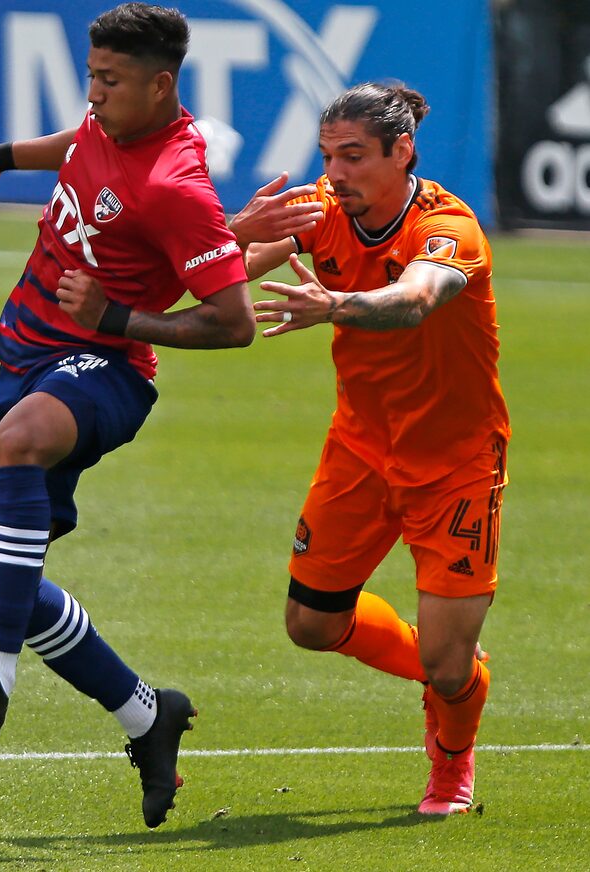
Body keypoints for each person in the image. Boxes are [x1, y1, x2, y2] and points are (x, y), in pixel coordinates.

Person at [0, 2, 317, 829]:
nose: (96, 94)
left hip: (107, 370)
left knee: (22, 440)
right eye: (91, 78)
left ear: (162, 85)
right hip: (27, 357)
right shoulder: (110, 119)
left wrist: (117, 320)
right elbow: (78, 143)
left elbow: (233, 322)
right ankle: (148, 715)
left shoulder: (175, 185)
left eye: (109, 81)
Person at [230, 82, 510, 816]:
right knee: (310, 626)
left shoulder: (448, 227)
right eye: (328, 156)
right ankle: (444, 655)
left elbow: (417, 299)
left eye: (353, 156)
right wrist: (233, 230)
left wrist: (335, 306)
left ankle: (451, 761)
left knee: (446, 674)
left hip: (455, 463)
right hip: (359, 448)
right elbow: (225, 269)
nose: (337, 172)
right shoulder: (325, 207)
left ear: (401, 150)